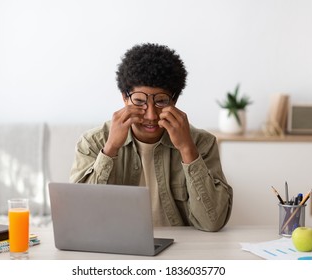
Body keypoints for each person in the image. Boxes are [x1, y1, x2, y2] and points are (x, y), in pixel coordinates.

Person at [70, 43, 233, 232]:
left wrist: (187, 149)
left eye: (161, 101)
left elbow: (213, 223)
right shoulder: (93, 142)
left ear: (175, 100)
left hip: (181, 250)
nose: (151, 116)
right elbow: (80, 217)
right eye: (139, 101)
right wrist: (110, 149)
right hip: (117, 248)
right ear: (125, 97)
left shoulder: (202, 143)